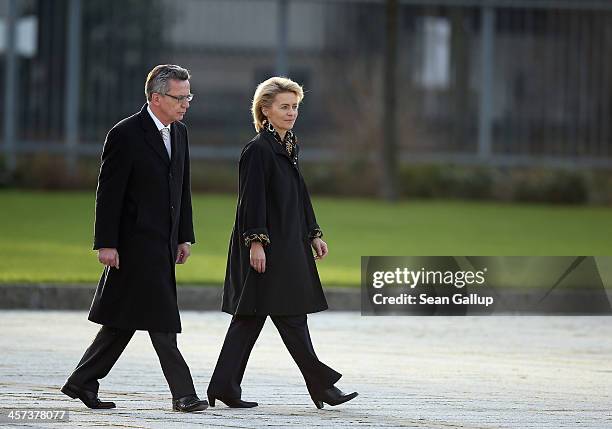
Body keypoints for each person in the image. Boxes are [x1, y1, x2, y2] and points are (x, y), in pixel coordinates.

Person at [61, 64, 208, 413]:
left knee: (122, 321)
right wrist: (106, 243)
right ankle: (183, 394)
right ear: (156, 98)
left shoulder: (180, 132)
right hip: (133, 244)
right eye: (179, 96)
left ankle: (82, 381)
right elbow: (108, 194)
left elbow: (181, 189)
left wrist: (184, 236)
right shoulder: (125, 134)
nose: (186, 102)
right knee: (161, 317)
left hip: (164, 241)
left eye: (189, 96)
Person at [207, 77, 358, 409]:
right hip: (266, 248)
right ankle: (322, 386)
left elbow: (299, 194)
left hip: (290, 243)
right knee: (289, 316)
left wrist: (313, 232)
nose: (291, 113)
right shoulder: (257, 150)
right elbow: (252, 201)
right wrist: (255, 243)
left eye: (295, 107)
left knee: (251, 318)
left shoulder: (289, 145)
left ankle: (224, 386)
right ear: (266, 109)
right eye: (284, 107)